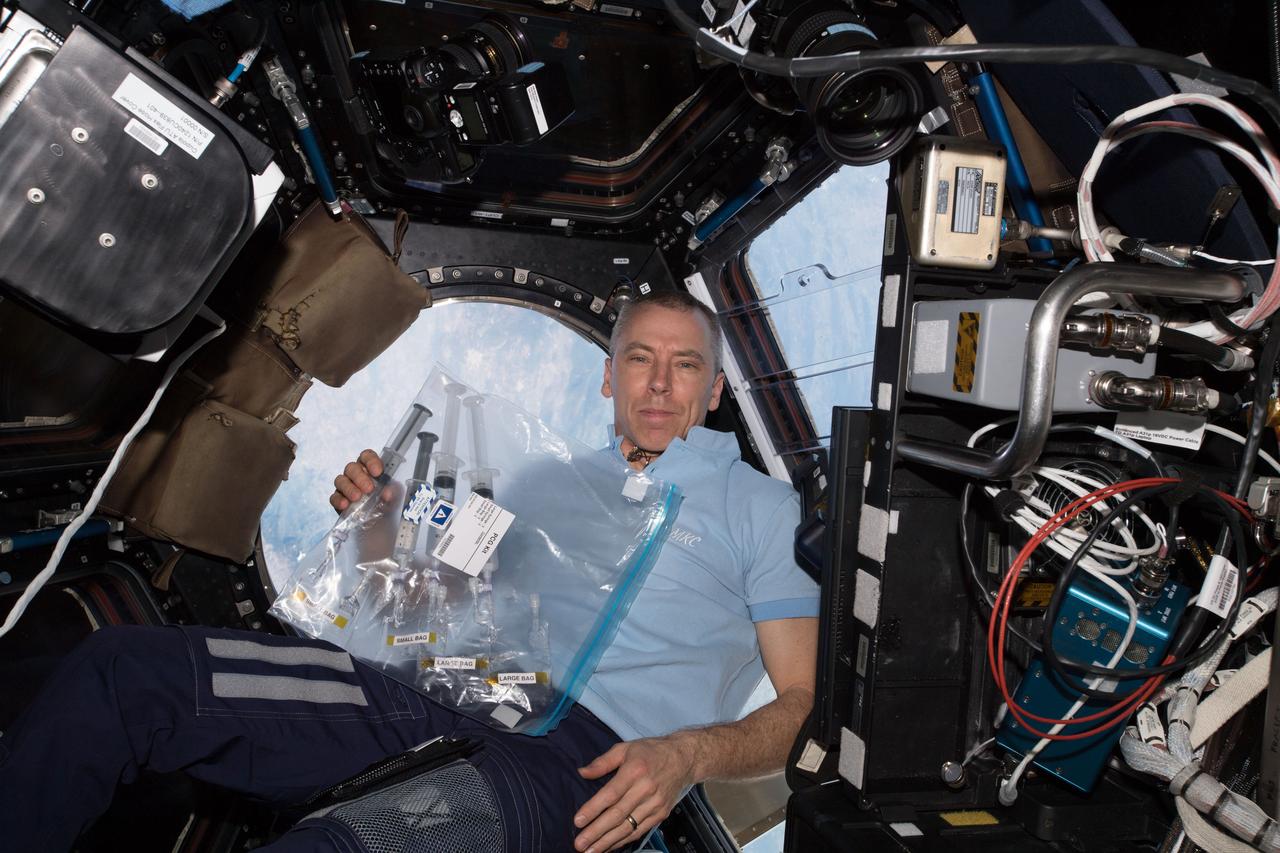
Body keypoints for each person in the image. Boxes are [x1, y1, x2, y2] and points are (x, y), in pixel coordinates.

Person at [0, 291, 818, 853]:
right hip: (443, 678)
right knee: (126, 675)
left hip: (584, 758)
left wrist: (685, 756)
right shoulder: (540, 483)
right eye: (640, 358)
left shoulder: (761, 510)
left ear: (713, 389)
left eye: (684, 365)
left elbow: (802, 704)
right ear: (609, 377)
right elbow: (424, 602)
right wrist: (379, 523)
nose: (659, 381)